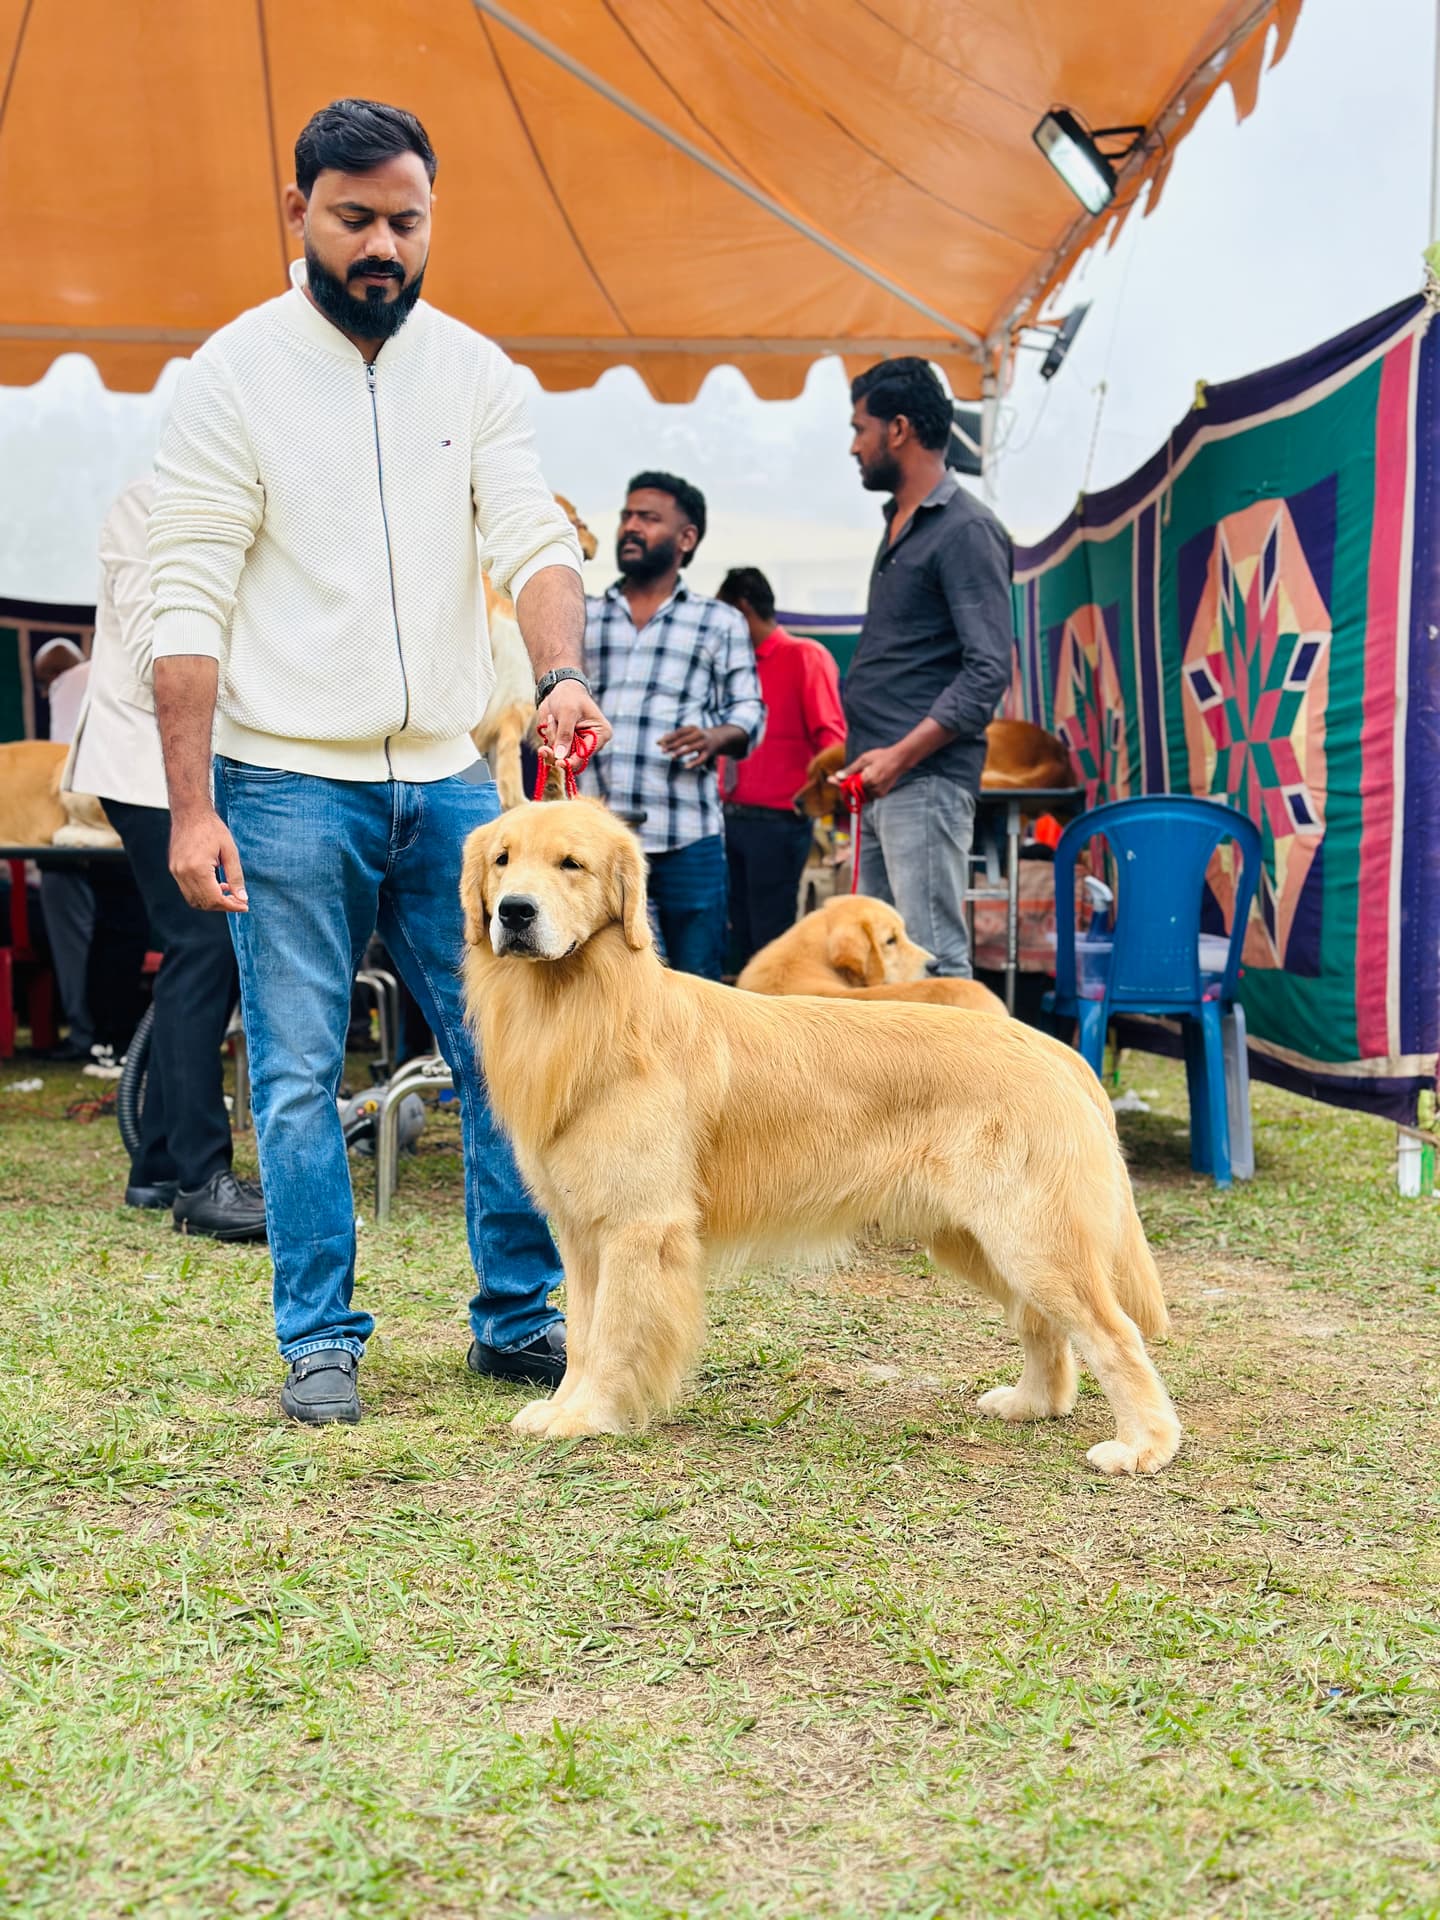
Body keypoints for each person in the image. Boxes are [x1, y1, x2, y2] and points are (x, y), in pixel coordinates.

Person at [148, 98, 611, 1426]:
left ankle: (518, 1321)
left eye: (408, 221)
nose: (384, 246)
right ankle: (319, 1344)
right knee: (298, 1072)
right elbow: (185, 600)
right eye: (356, 219)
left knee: (510, 1053)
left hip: (459, 780)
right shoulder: (230, 377)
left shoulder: (474, 372)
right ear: (297, 214)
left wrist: (560, 672)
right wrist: (191, 809)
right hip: (284, 781)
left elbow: (532, 538)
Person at [65, 478, 265, 1237]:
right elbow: (162, 650)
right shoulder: (154, 499)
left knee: (203, 953)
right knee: (202, 944)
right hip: (148, 765)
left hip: (196, 765)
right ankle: (198, 1177)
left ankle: (156, 1168)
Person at [838, 358, 1014, 978]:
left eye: (861, 428)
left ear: (899, 430)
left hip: (923, 781)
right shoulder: (900, 524)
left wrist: (900, 756)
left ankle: (970, 1083)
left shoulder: (965, 529)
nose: (853, 445)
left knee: (935, 969)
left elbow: (988, 671)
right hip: (884, 779)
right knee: (878, 971)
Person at [584, 473, 764, 980]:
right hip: (600, 842)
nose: (630, 527)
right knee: (611, 986)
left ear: (686, 539)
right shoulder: (585, 614)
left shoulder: (718, 620)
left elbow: (749, 709)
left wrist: (715, 737)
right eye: (626, 516)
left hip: (687, 838)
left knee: (693, 988)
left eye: (648, 518)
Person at [714, 567, 845, 968]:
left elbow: (832, 737)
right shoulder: (731, 666)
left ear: (742, 610)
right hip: (725, 817)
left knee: (769, 938)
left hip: (778, 821)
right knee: (734, 935)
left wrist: (835, 810)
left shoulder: (805, 656)